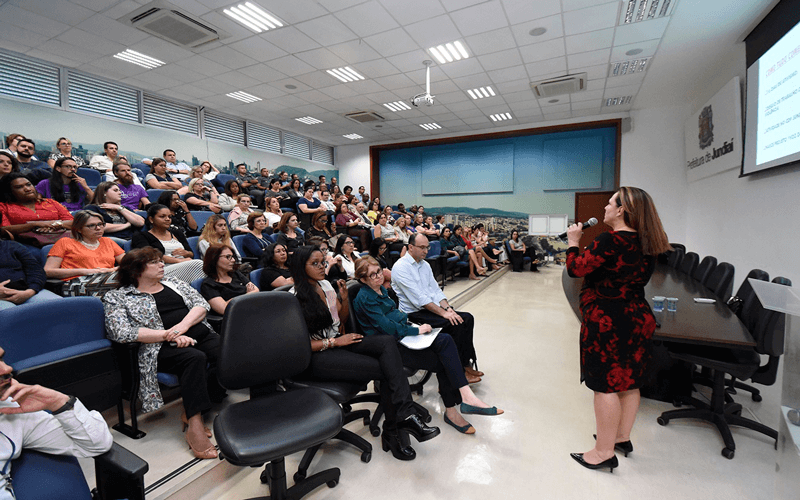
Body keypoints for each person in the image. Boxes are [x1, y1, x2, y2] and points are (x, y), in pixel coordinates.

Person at [288, 245, 439, 460]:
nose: (322, 266)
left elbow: (339, 321)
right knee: (387, 368)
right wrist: (335, 342)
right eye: (315, 263)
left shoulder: (325, 285)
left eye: (323, 262)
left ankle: (402, 419)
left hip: (339, 342)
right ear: (301, 267)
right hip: (316, 357)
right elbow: (298, 345)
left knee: (387, 343)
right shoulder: (293, 299)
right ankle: (395, 430)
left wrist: (343, 300)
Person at [565, 188, 670, 472]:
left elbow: (577, 269)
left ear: (622, 210)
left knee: (604, 385)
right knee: (629, 381)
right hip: (636, 318)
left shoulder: (609, 240)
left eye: (610, 203)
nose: (606, 208)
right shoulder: (649, 242)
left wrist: (573, 242)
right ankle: (621, 438)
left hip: (607, 321)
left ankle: (603, 452)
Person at [354, 257, 502, 435]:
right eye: (372, 275)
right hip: (388, 347)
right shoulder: (365, 297)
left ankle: (466, 396)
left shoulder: (380, 290)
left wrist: (407, 325)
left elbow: (396, 316)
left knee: (446, 340)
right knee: (443, 359)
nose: (378, 276)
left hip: (401, 335)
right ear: (363, 279)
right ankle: (453, 411)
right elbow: (387, 327)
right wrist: (416, 330)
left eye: (379, 271)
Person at [103, 247, 225, 460]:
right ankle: (195, 422)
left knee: (227, 351)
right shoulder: (117, 297)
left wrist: (181, 328)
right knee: (194, 358)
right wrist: (168, 336)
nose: (162, 265)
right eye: (154, 262)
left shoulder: (174, 283)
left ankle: (195, 407)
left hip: (198, 334)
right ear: (135, 270)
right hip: (158, 346)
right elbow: (120, 331)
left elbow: (201, 305)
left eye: (161, 260)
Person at [0, 345, 114, 497]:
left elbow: (97, 444)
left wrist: (58, 402)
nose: (7, 368)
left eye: (1, 359)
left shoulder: (9, 411)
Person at [392, 234, 483, 382]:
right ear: (410, 247)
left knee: (467, 318)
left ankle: (465, 363)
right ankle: (458, 372)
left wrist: (448, 308)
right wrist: (443, 314)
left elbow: (435, 290)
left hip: (428, 308)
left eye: (427, 247)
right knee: (455, 323)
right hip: (414, 313)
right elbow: (419, 299)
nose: (426, 251)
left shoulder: (424, 265)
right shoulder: (401, 267)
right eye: (422, 247)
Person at [44, 210, 125, 297]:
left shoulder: (108, 241)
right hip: (75, 283)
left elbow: (130, 264)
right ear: (79, 229)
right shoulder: (65, 242)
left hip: (106, 278)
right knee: (119, 280)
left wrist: (110, 270)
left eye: (100, 224)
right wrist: (86, 271)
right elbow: (48, 271)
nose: (98, 228)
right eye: (91, 225)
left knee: (130, 275)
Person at [131, 204, 204, 283]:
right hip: (160, 270)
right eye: (162, 216)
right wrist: (178, 261)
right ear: (151, 219)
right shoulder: (141, 236)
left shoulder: (177, 233)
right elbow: (149, 256)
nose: (167, 219)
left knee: (204, 268)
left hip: (184, 266)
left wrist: (186, 253)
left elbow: (191, 254)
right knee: (198, 264)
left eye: (169, 217)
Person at [0, 220, 62, 310]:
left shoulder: (13, 246)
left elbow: (36, 271)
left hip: (27, 291)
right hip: (2, 299)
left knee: (61, 307)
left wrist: (30, 291)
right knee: (10, 313)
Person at [0, 172, 73, 247]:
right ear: (9, 192)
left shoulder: (51, 202)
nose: (27, 189)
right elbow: (3, 229)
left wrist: (55, 224)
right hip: (26, 243)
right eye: (19, 187)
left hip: (58, 236)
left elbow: (73, 223)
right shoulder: (3, 207)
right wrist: (35, 224)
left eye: (29, 184)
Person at [200, 243, 258, 314]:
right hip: (236, 317)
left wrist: (232, 301)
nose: (233, 260)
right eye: (228, 257)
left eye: (232, 256)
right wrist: (248, 294)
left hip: (251, 310)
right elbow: (224, 309)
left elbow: (256, 290)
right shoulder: (208, 285)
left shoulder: (235, 273)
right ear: (214, 258)